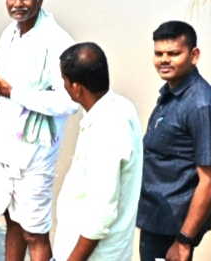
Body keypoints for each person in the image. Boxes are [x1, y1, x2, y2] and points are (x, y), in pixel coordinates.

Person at [0, 0, 77, 261]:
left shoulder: (57, 42)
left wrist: (13, 91)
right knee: (11, 221)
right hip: (5, 144)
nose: (17, 4)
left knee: (35, 231)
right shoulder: (10, 33)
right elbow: (1, 78)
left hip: (36, 152)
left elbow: (70, 101)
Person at [137, 21, 211, 261]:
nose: (164, 60)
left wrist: (184, 241)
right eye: (158, 53)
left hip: (174, 229)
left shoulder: (201, 105)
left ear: (194, 55)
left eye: (174, 53)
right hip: (155, 218)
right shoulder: (172, 92)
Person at [52, 42, 143, 261]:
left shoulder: (107, 127)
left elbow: (100, 213)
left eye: (64, 80)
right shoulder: (120, 106)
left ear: (77, 88)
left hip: (92, 255)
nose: (62, 85)